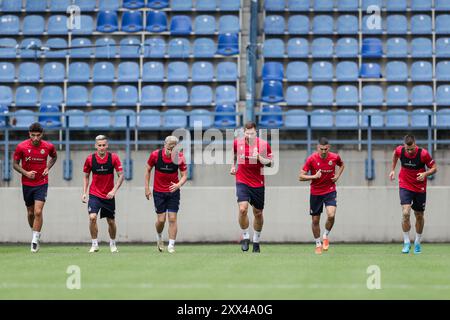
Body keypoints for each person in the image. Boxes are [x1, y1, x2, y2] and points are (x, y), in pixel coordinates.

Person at [13, 122, 57, 253]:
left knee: (38, 211)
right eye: (33, 135)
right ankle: (35, 232)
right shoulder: (21, 147)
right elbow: (15, 164)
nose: (36, 138)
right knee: (31, 213)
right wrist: (26, 173)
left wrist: (47, 167)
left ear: (42, 134)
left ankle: (34, 240)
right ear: (29, 134)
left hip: (42, 183)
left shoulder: (48, 146)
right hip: (27, 183)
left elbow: (54, 157)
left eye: (38, 135)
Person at [389, 134, 437, 254]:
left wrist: (425, 174)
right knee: (405, 212)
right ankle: (406, 242)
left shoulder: (423, 154)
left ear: (415, 144)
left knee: (419, 215)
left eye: (411, 149)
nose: (409, 151)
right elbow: (395, 155)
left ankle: (417, 242)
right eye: (407, 149)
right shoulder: (400, 150)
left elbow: (434, 168)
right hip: (405, 184)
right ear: (404, 146)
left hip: (419, 187)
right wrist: (392, 170)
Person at [230, 122, 273, 253]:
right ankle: (245, 236)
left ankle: (256, 240)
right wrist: (233, 166)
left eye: (252, 133)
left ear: (256, 132)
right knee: (243, 209)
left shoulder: (263, 145)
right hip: (242, 180)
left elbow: (271, 163)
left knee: (258, 213)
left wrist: (259, 157)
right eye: (247, 133)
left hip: (257, 183)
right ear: (244, 132)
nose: (249, 135)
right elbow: (234, 155)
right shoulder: (238, 142)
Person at [299, 137, 345, 255]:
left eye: (325, 149)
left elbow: (342, 165)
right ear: (317, 148)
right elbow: (300, 176)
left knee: (331, 215)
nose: (323, 151)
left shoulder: (335, 157)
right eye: (321, 149)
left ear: (328, 148)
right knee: (315, 220)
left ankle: (325, 235)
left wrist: (338, 176)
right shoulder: (311, 159)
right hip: (316, 192)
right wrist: (313, 176)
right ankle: (318, 244)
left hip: (330, 191)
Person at [144, 136, 188, 254]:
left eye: (174, 148)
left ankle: (171, 245)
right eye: (169, 148)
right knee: (161, 220)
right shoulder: (155, 155)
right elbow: (148, 170)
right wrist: (147, 188)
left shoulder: (179, 157)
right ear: (165, 145)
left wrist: (178, 185)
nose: (171, 151)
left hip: (173, 191)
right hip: (158, 192)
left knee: (172, 218)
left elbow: (184, 175)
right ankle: (159, 236)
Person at [82, 135, 124, 253]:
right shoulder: (90, 159)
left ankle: (113, 243)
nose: (101, 147)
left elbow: (121, 175)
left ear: (107, 145)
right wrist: (84, 192)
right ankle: (94, 244)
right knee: (92, 217)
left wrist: (114, 191)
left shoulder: (113, 158)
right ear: (96, 146)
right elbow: (86, 176)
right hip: (94, 194)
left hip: (108, 195)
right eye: (99, 145)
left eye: (103, 145)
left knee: (111, 221)